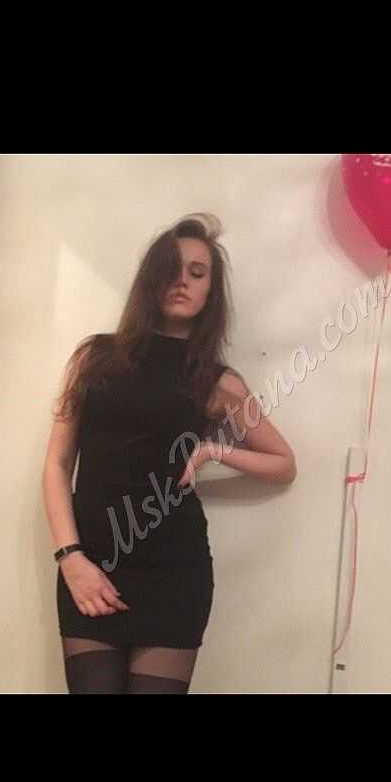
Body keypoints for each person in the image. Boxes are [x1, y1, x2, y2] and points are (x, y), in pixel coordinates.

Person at [42, 212, 297, 694]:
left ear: (210, 292)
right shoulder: (94, 357)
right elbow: (57, 464)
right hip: (90, 566)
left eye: (197, 273)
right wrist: (70, 558)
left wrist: (214, 449)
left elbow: (283, 464)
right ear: (150, 279)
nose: (182, 281)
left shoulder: (218, 381)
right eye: (171, 269)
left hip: (175, 576)